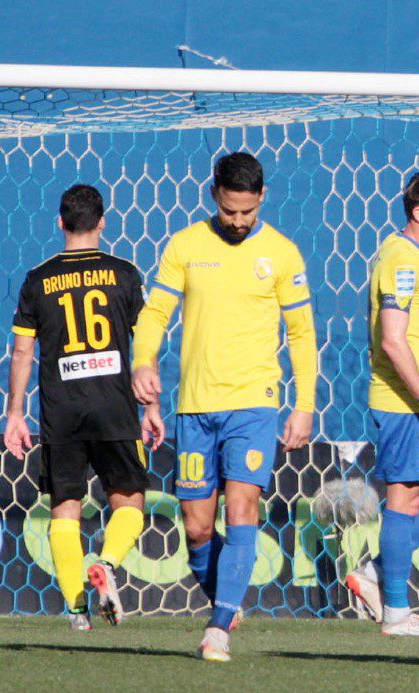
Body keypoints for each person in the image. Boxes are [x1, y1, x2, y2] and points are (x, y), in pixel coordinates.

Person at [130, 152, 318, 662]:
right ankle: (228, 601)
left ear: (262, 198)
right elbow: (156, 312)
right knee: (195, 526)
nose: (238, 221)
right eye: (229, 210)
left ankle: (217, 630)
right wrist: (143, 362)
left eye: (247, 212)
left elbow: (301, 334)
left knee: (242, 510)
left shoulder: (281, 253)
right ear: (214, 195)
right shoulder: (186, 245)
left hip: (254, 403)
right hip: (195, 406)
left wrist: (304, 405)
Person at [4, 184, 164, 631]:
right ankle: (107, 563)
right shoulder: (124, 274)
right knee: (129, 501)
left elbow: (22, 352)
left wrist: (15, 413)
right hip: (114, 407)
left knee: (65, 508)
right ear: (103, 223)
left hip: (62, 412)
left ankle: (77, 611)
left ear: (60, 222)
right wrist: (151, 406)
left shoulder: (38, 279)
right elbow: (144, 348)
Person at [344, 172, 419, 636]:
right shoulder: (402, 259)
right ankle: (395, 611)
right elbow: (394, 341)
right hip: (403, 401)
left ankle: (375, 573)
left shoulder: (416, 257)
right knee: (406, 497)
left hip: (417, 400)